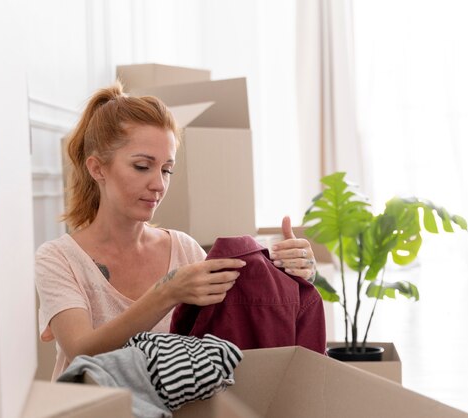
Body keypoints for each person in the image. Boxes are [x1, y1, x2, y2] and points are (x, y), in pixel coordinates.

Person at [35, 81, 317, 380]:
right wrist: (167, 292)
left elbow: (240, 330)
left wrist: (297, 274)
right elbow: (82, 352)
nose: (159, 184)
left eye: (167, 169)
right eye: (143, 166)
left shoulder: (184, 249)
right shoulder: (58, 258)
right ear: (97, 169)